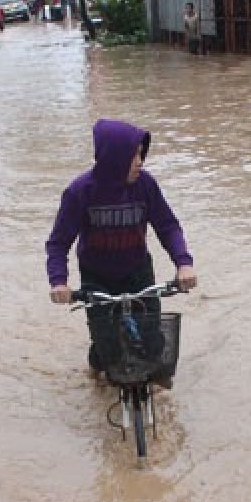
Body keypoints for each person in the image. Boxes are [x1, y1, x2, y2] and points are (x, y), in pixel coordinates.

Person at [46, 119, 199, 385]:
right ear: (115, 158)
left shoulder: (145, 185)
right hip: (97, 277)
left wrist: (183, 263)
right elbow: (58, 243)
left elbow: (167, 225)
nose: (140, 162)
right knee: (108, 351)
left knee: (154, 343)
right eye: (134, 155)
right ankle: (96, 367)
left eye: (141, 154)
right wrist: (59, 282)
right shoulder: (80, 192)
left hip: (137, 270)